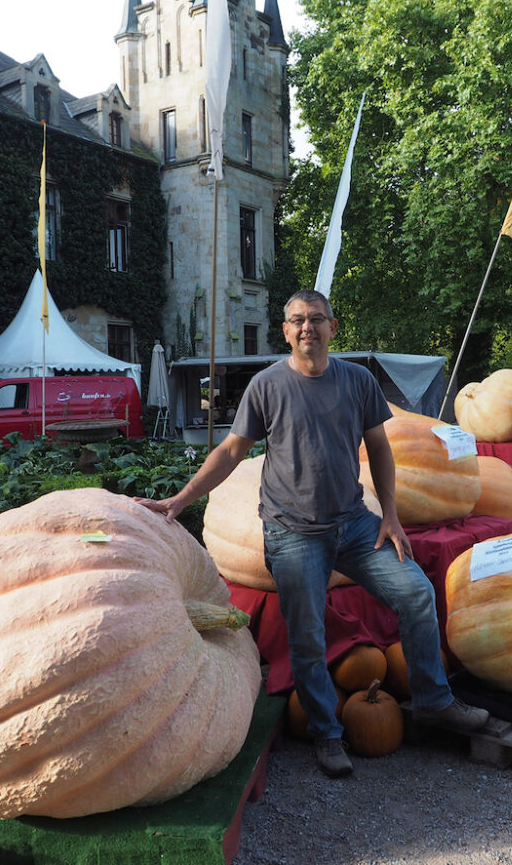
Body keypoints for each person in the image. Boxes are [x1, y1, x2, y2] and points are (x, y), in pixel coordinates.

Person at [137, 290, 488, 778]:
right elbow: (231, 451)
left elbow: (380, 449)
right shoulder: (266, 386)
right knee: (307, 634)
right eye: (298, 320)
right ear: (286, 331)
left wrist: (389, 514)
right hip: (292, 533)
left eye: (317, 319)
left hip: (354, 524)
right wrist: (178, 501)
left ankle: (432, 701)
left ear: (333, 327)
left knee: (416, 592)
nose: (308, 327)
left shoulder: (358, 381)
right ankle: (327, 733)